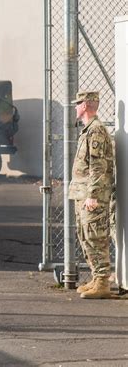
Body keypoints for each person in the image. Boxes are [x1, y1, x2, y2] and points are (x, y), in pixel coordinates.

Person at [68, 91, 115, 299]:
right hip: (82, 193)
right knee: (85, 235)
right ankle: (97, 278)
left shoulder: (95, 131)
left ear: (86, 105)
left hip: (92, 195)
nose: (75, 107)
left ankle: (103, 282)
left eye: (78, 103)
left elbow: (98, 166)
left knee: (95, 236)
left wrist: (93, 195)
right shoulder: (87, 130)